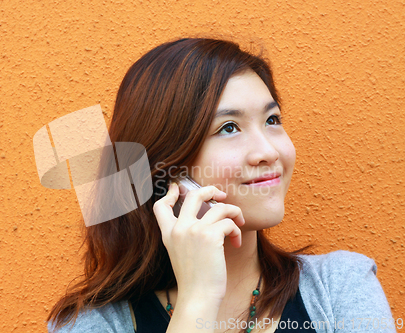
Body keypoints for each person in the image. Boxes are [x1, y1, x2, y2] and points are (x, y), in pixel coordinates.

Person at [46, 38, 397, 333]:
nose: (268, 151)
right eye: (229, 127)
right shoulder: (97, 323)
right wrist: (198, 299)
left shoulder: (339, 286)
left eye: (272, 120)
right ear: (166, 169)